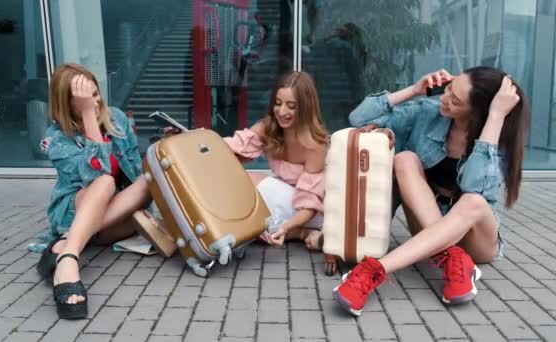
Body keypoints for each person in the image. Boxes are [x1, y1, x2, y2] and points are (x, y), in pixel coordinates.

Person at [333, 66, 530, 316]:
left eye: (455, 100)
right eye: (448, 88)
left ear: (477, 112)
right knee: (404, 159)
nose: (444, 98)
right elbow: (358, 117)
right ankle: (453, 259)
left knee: (473, 201)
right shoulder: (430, 112)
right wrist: (415, 89)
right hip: (430, 221)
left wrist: (495, 117)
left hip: (476, 239)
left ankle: (374, 270)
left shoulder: (497, 134)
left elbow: (475, 187)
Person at [34, 63, 158, 319]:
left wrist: (164, 146)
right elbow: (96, 173)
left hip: (114, 210)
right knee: (104, 182)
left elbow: (135, 169)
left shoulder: (117, 118)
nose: (96, 101)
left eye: (96, 93)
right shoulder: (55, 139)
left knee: (148, 181)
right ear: (68, 104)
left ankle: (67, 243)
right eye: (86, 98)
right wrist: (89, 115)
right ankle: (68, 260)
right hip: (74, 210)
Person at [223, 71, 329, 249]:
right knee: (236, 179)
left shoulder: (315, 144)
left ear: (305, 108)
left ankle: (299, 230)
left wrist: (285, 227)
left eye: (291, 106)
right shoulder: (268, 127)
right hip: (286, 201)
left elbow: (310, 205)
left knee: (250, 181)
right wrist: (191, 141)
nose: (282, 111)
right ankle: (301, 234)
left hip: (309, 212)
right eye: (278, 104)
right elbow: (229, 151)